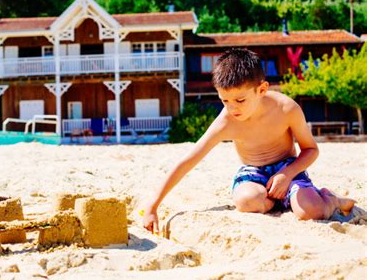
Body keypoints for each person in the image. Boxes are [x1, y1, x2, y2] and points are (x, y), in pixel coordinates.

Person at [143, 48, 355, 233]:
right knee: (246, 201)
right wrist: (153, 206)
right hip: (253, 172)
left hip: (288, 168)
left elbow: (311, 150)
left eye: (240, 100)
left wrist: (286, 174)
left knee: (312, 212)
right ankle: (279, 201)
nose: (232, 107)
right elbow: (187, 162)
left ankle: (331, 199)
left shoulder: (286, 108)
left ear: (261, 89)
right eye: (225, 100)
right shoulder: (225, 122)